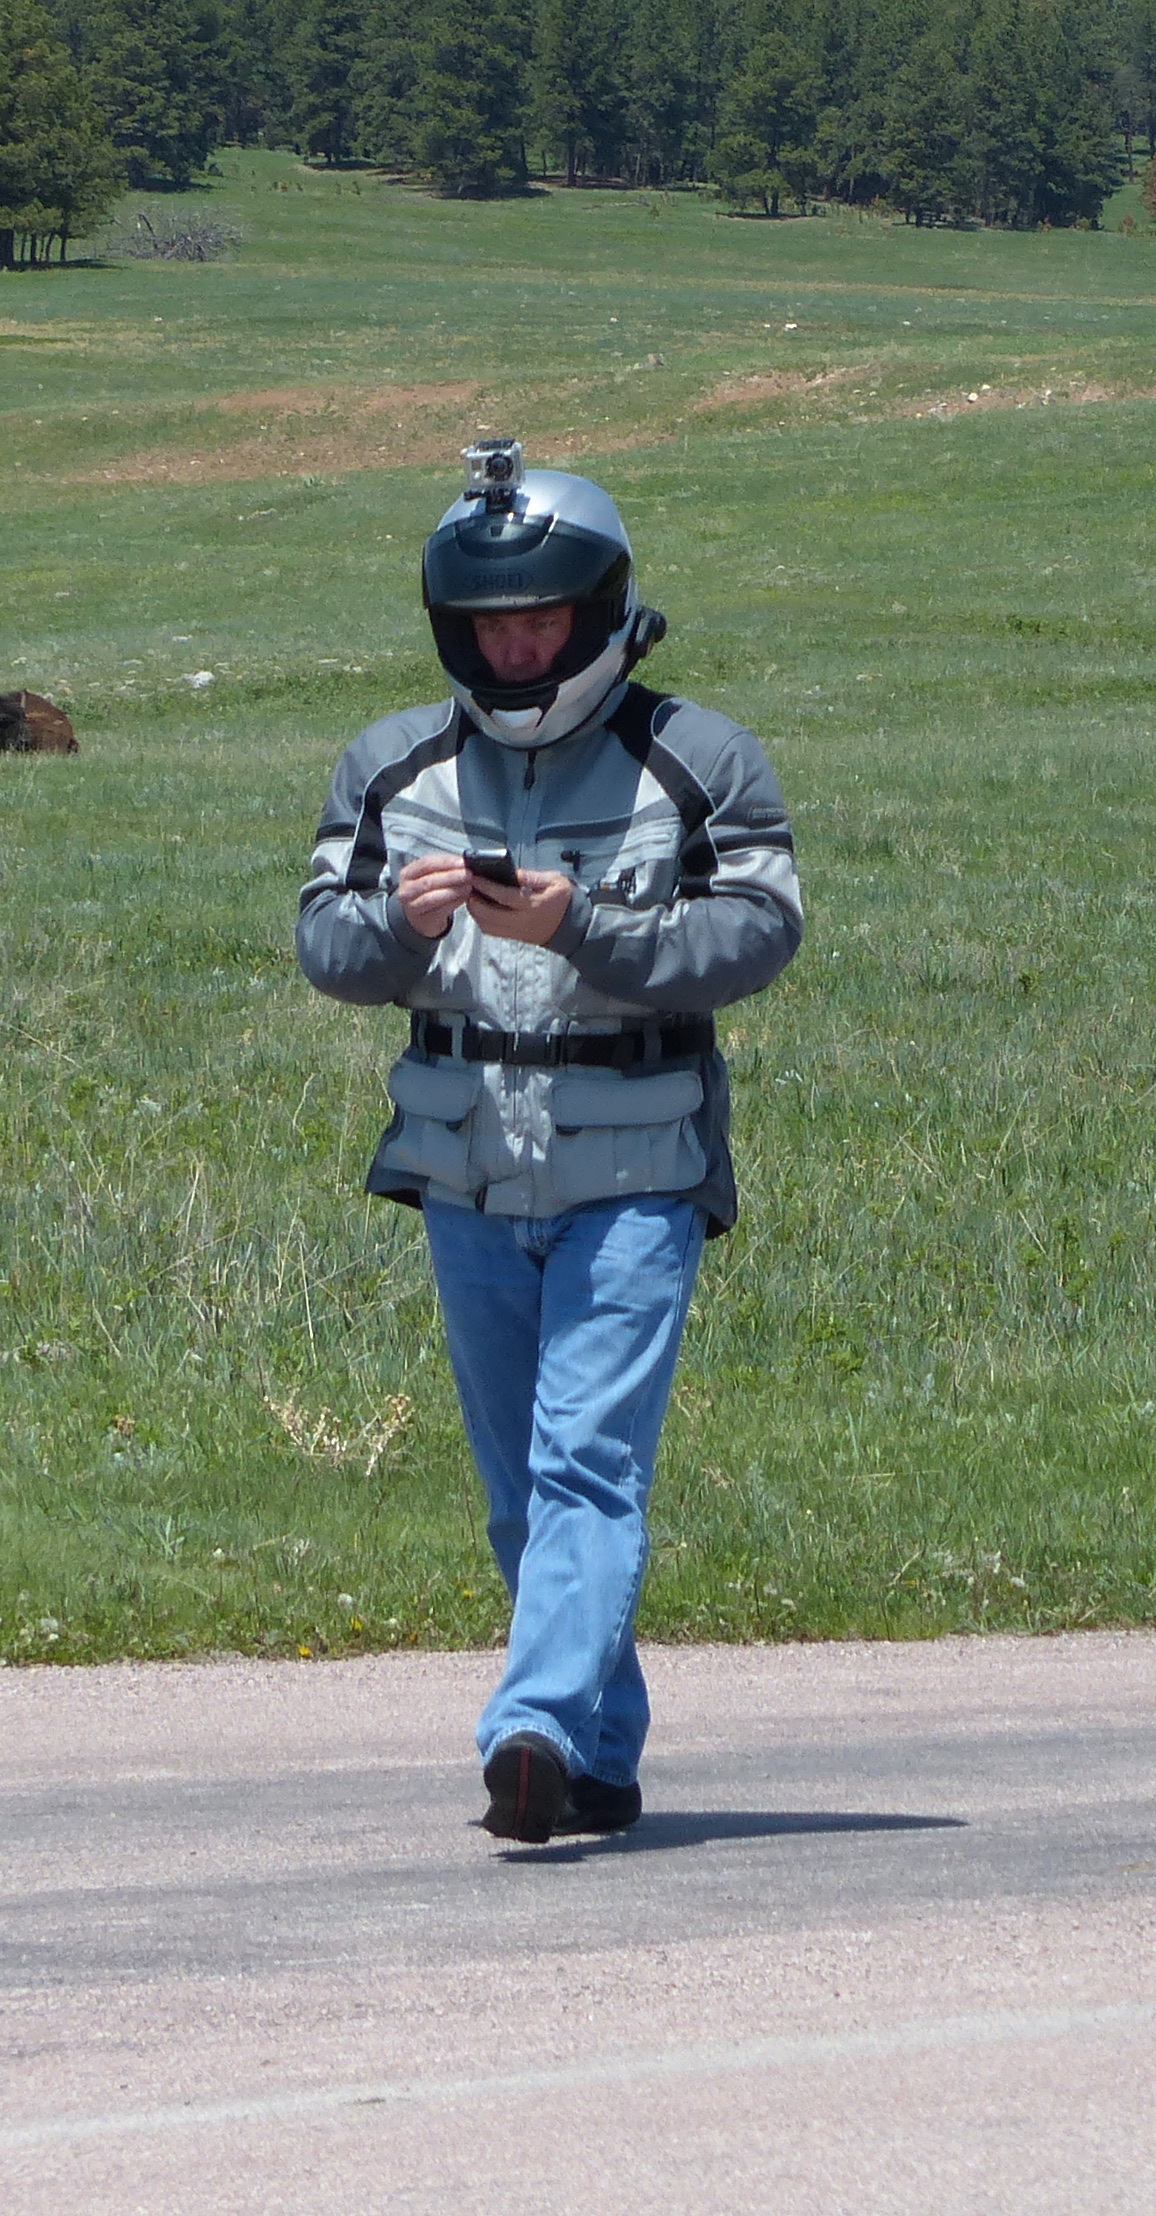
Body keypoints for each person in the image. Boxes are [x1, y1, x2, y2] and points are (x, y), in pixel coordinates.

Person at [297, 440, 803, 1844]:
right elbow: (322, 944)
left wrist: (583, 926)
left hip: (637, 1170)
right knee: (524, 1496)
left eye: (540, 622)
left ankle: (524, 1729)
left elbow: (760, 932)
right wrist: (399, 926)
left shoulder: (699, 757)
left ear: (600, 612)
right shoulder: (390, 764)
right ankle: (598, 1755)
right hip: (464, 1169)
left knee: (586, 1461)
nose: (515, 649)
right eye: (488, 627)